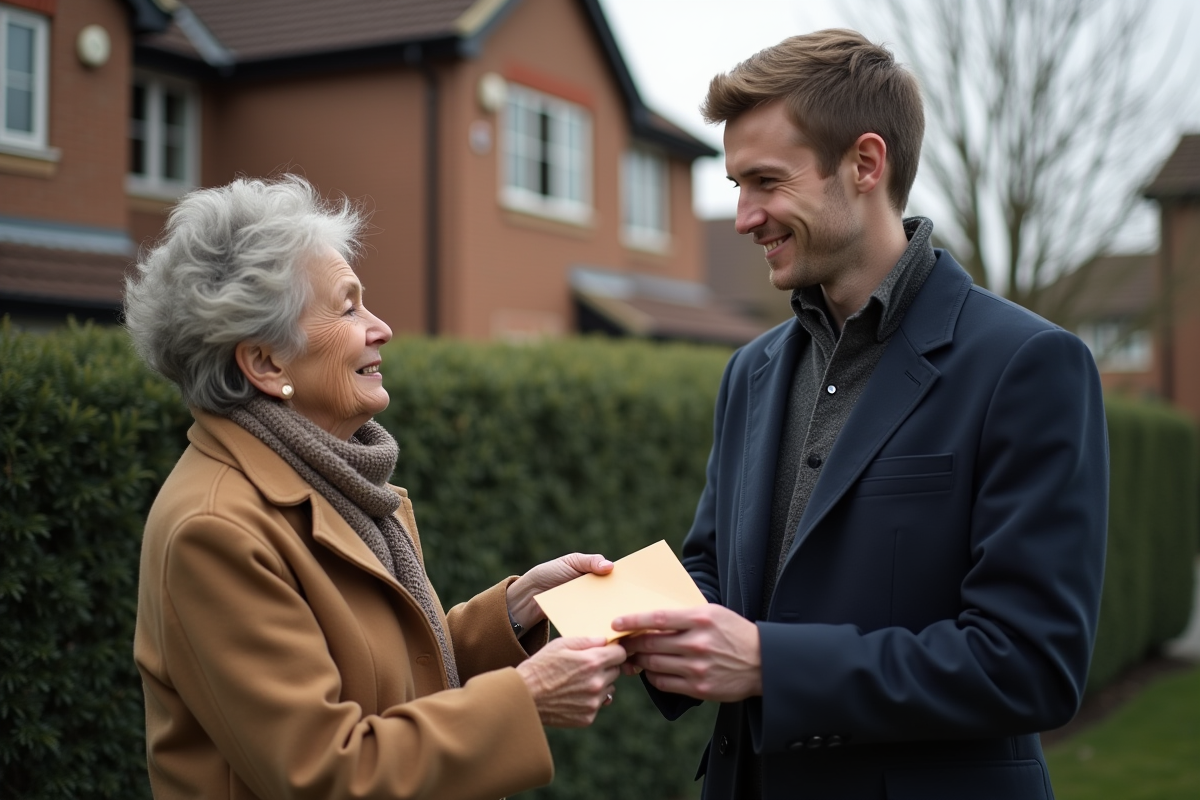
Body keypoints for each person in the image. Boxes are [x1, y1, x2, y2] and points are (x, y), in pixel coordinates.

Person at [614, 30, 1108, 800]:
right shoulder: (751, 371)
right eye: (737, 185)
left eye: (765, 183)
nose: (744, 217)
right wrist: (631, 616)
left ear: (865, 164)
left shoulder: (1028, 365)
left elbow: (1029, 664)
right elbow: (716, 570)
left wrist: (772, 664)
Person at [125, 175, 627, 800]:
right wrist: (526, 697)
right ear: (265, 363)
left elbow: (399, 685)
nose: (382, 326)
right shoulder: (215, 531)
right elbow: (326, 773)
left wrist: (516, 611)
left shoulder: (340, 481)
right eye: (347, 306)